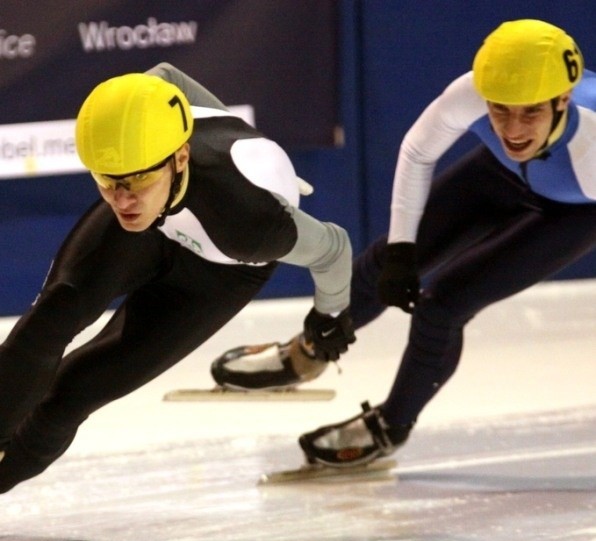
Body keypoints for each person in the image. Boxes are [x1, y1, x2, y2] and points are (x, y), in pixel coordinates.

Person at [210, 19, 596, 467]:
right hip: (502, 176)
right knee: (382, 265)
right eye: (500, 110)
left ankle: (392, 424)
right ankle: (310, 349)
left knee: (444, 304)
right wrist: (400, 252)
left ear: (563, 99)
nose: (512, 129)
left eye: (530, 112)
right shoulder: (472, 92)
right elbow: (417, 151)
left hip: (579, 209)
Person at [0, 63, 356, 493]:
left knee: (77, 389)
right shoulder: (142, 158)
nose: (122, 199)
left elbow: (334, 248)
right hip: (159, 224)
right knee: (52, 318)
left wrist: (329, 317)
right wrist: (237, 134)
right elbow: (166, 75)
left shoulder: (251, 225)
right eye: (106, 182)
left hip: (216, 271)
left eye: (135, 181)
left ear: (181, 156)